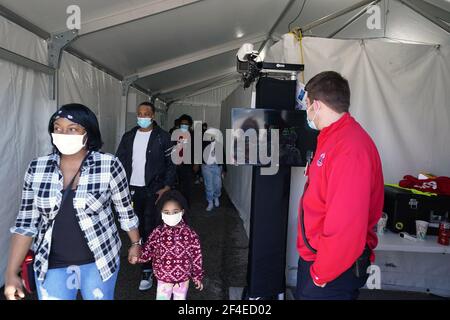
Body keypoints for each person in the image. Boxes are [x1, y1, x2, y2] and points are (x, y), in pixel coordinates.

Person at [4, 103, 141, 300]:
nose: (63, 134)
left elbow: (125, 210)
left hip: (99, 261)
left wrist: (135, 242)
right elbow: (25, 224)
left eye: (72, 129)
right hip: (51, 264)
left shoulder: (109, 165)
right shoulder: (37, 168)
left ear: (88, 132)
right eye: (57, 128)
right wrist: (10, 273)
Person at [296, 71, 384, 300]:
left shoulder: (350, 148)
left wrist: (320, 274)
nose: (306, 112)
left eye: (306, 105)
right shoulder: (332, 138)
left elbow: (346, 225)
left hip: (331, 270)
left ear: (316, 104)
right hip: (318, 259)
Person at [116, 102, 176, 291]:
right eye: (140, 113)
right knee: (135, 226)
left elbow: (172, 163)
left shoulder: (163, 137)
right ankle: (145, 261)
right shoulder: (128, 136)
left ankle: (149, 268)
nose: (142, 117)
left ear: (153, 116)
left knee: (152, 227)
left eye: (146, 114)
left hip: (153, 189)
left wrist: (166, 186)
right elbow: (119, 162)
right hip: (132, 189)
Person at [130, 190, 204, 300]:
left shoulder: (190, 234)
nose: (171, 215)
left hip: (183, 280)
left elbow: (197, 256)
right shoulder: (157, 233)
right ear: (161, 213)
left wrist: (197, 276)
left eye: (175, 212)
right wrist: (138, 257)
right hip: (163, 279)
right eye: (167, 212)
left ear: (182, 212)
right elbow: (148, 250)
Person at [174, 114, 199, 207]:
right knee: (178, 185)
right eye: (182, 124)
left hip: (189, 164)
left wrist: (196, 163)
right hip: (178, 164)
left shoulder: (194, 135)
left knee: (188, 185)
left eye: (186, 124)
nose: (184, 125)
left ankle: (186, 204)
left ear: (190, 125)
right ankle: (179, 203)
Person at [202, 128, 226, 211]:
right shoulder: (203, 143)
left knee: (218, 185)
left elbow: (223, 157)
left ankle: (216, 196)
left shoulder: (219, 144)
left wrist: (224, 169)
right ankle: (210, 202)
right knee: (209, 185)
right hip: (207, 166)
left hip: (217, 167)